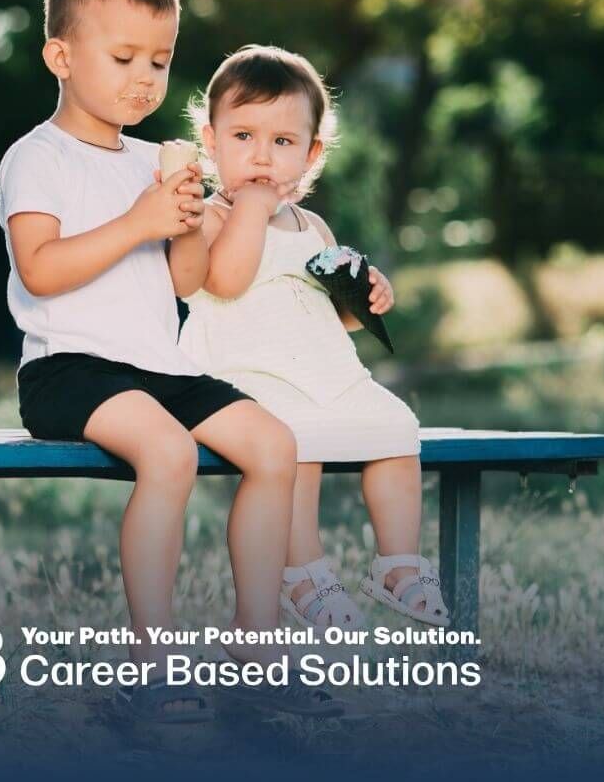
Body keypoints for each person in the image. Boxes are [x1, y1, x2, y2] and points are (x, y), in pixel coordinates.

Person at [0, 0, 342, 723]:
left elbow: (183, 280)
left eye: (159, 59)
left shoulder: (156, 159)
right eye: (122, 57)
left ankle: (256, 653)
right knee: (169, 451)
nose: (144, 77)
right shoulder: (36, 157)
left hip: (156, 366)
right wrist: (136, 222)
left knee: (274, 445)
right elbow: (41, 271)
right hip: (68, 370)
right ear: (60, 55)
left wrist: (182, 213)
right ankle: (149, 662)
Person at [179, 44, 450, 632]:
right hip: (243, 378)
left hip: (326, 371)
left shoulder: (311, 225)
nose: (261, 157)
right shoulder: (209, 217)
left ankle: (398, 564)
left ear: (310, 154)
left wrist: (365, 296)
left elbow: (328, 312)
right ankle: (301, 572)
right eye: (244, 136)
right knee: (293, 442)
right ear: (211, 142)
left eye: (282, 143)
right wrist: (250, 209)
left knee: (397, 427)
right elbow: (224, 283)